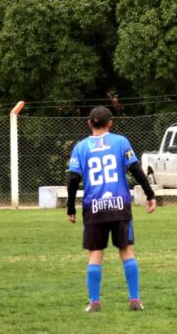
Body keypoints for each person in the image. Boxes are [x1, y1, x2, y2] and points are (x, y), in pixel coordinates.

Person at [67, 106, 156, 313]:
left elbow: (73, 179)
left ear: (89, 123)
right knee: (127, 251)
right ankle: (134, 299)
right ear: (110, 123)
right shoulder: (120, 142)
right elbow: (135, 169)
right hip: (119, 206)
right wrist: (150, 194)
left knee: (95, 254)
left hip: (94, 206)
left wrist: (70, 207)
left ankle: (95, 301)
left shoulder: (81, 147)